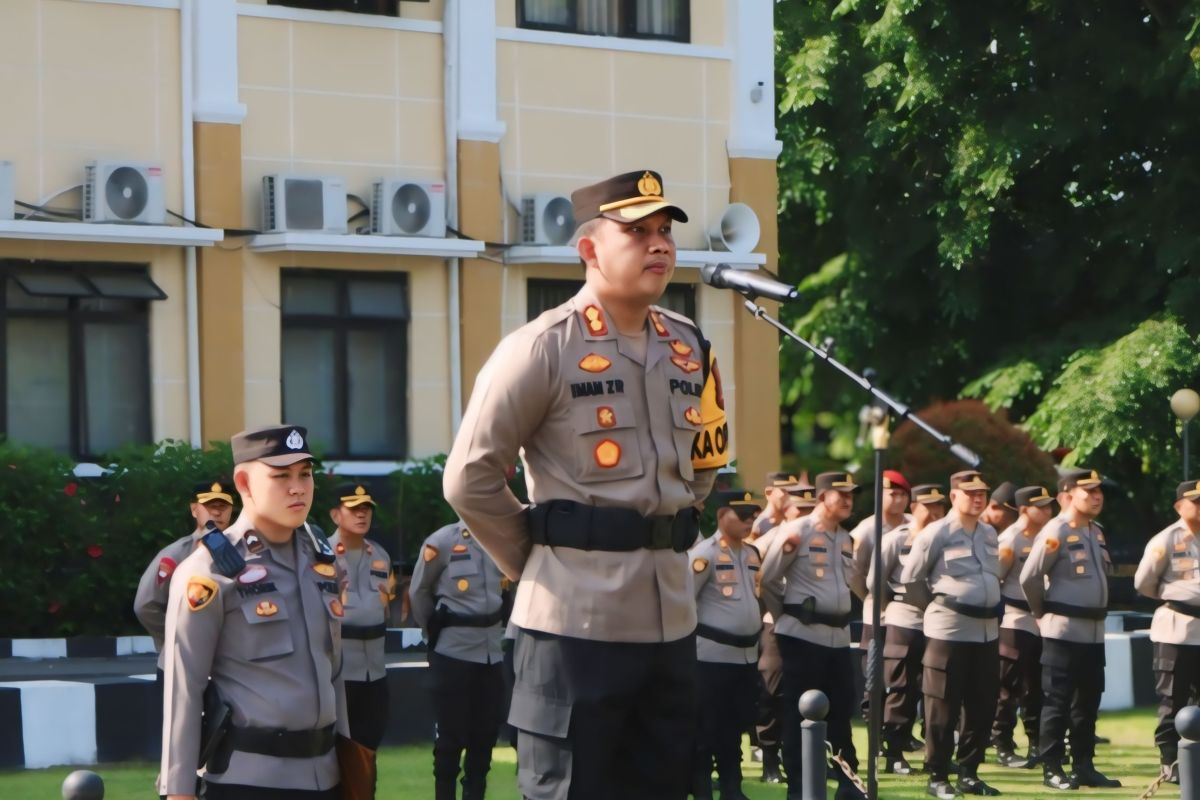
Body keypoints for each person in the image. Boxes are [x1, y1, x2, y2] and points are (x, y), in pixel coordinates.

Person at [442, 169, 727, 799]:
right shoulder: (541, 347)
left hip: (673, 622)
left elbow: (705, 464)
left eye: (665, 232)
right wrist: (544, 559)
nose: (660, 246)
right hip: (575, 627)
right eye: (638, 232)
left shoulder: (692, 348)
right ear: (590, 249)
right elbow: (469, 477)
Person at [159, 426, 355, 800]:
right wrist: (179, 791)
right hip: (248, 781)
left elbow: (335, 673)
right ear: (245, 482)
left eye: (305, 474)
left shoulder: (323, 562)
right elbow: (183, 688)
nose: (298, 488)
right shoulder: (209, 572)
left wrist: (351, 766)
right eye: (281, 476)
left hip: (326, 777)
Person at [759, 471, 867, 800]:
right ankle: (799, 785)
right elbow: (768, 580)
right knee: (799, 712)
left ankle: (847, 781)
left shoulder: (846, 539)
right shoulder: (796, 532)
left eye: (851, 493)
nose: (848, 500)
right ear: (821, 497)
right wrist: (789, 616)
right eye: (840, 493)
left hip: (836, 636)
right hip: (802, 637)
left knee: (840, 711)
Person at [899, 470, 1002, 799]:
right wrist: (940, 609)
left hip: (986, 632)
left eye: (982, 493)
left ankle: (969, 773)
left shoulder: (988, 533)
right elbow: (913, 580)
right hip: (949, 630)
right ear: (953, 495)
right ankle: (938, 776)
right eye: (969, 493)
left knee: (982, 706)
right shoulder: (936, 533)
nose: (977, 498)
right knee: (942, 707)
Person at [1019, 468, 1120, 790]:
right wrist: (1041, 611)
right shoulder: (1056, 530)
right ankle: (1052, 768)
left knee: (1088, 702)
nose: (1096, 496)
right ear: (1068, 493)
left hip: (1093, 631)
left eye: (1098, 490)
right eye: (1088, 490)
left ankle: (1084, 765)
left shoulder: (1096, 531)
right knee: (1058, 702)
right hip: (1062, 630)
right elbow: (1029, 577)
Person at [409, 521, 508, 800]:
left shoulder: (501, 536)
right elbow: (419, 593)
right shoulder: (441, 542)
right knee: (450, 739)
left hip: (491, 652)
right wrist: (437, 633)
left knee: (486, 735)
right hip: (453, 653)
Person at [689, 490, 765, 800]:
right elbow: (686, 602)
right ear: (722, 517)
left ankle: (733, 787)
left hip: (745, 656)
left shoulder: (752, 554)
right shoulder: (704, 554)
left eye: (753, 515)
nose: (749, 521)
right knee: (707, 726)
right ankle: (701, 787)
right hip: (710, 656)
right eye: (742, 514)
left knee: (735, 725)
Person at [871, 483, 947, 774]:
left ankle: (935, 753)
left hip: (938, 621)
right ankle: (894, 754)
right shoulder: (896, 540)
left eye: (940, 506)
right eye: (928, 506)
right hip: (905, 618)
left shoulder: (947, 539)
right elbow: (873, 581)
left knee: (935, 689)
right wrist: (892, 606)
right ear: (914, 507)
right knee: (901, 688)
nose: (935, 512)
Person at [1133, 479, 1200, 785]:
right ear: (1179, 506)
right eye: (1195, 501)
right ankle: (1169, 762)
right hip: (1177, 630)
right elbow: (1144, 582)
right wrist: (1177, 595)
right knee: (1172, 701)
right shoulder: (1166, 540)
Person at [327, 482, 393, 783]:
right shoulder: (322, 556)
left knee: (368, 755)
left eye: (366, 509)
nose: (362, 514)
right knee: (336, 756)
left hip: (374, 674)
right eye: (354, 509)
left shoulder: (380, 555)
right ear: (335, 515)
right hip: (339, 675)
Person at [753, 480, 815, 784]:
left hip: (816, 628)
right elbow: (759, 581)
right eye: (800, 508)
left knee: (813, 692)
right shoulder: (771, 539)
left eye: (811, 509)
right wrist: (781, 614)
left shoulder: (825, 538)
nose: (805, 514)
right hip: (776, 624)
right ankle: (769, 759)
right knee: (774, 693)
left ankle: (813, 756)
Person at [134, 481, 236, 665]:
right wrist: (180, 638)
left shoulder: (245, 550)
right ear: (194, 509)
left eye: (223, 506)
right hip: (183, 662)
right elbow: (146, 605)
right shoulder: (176, 554)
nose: (216, 512)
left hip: (231, 663)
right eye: (209, 506)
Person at [991, 486, 1055, 769]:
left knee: (1037, 687)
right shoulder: (1010, 541)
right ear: (1024, 509)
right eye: (1040, 506)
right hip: (1015, 620)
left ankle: (1036, 743)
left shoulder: (1049, 536)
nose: (1047, 511)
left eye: (1049, 506)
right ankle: (1002, 743)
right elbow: (994, 581)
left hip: (1041, 621)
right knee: (1009, 687)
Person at [848, 470, 912, 722]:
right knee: (875, 674)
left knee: (903, 674)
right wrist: (870, 599)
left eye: (902, 494)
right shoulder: (866, 530)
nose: (897, 500)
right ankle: (875, 723)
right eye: (892, 494)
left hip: (907, 613)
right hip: (877, 613)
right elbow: (855, 573)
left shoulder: (913, 525)